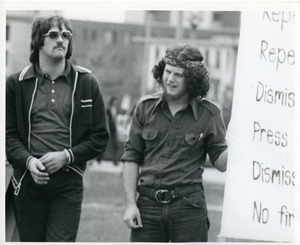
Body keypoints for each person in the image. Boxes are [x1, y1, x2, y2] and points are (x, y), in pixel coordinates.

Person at [6, 15, 109, 242]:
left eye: (66, 35)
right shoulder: (16, 83)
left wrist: (67, 156)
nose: (61, 39)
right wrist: (29, 161)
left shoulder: (86, 82)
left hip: (68, 181)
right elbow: (9, 137)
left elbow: (100, 137)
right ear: (37, 41)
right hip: (28, 180)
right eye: (53, 34)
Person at [121, 44, 228, 242]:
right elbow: (131, 156)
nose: (170, 79)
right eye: (167, 72)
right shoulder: (145, 107)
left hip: (189, 208)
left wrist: (242, 142)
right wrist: (130, 204)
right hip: (147, 207)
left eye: (178, 74)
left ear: (193, 79)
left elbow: (222, 165)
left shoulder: (210, 114)